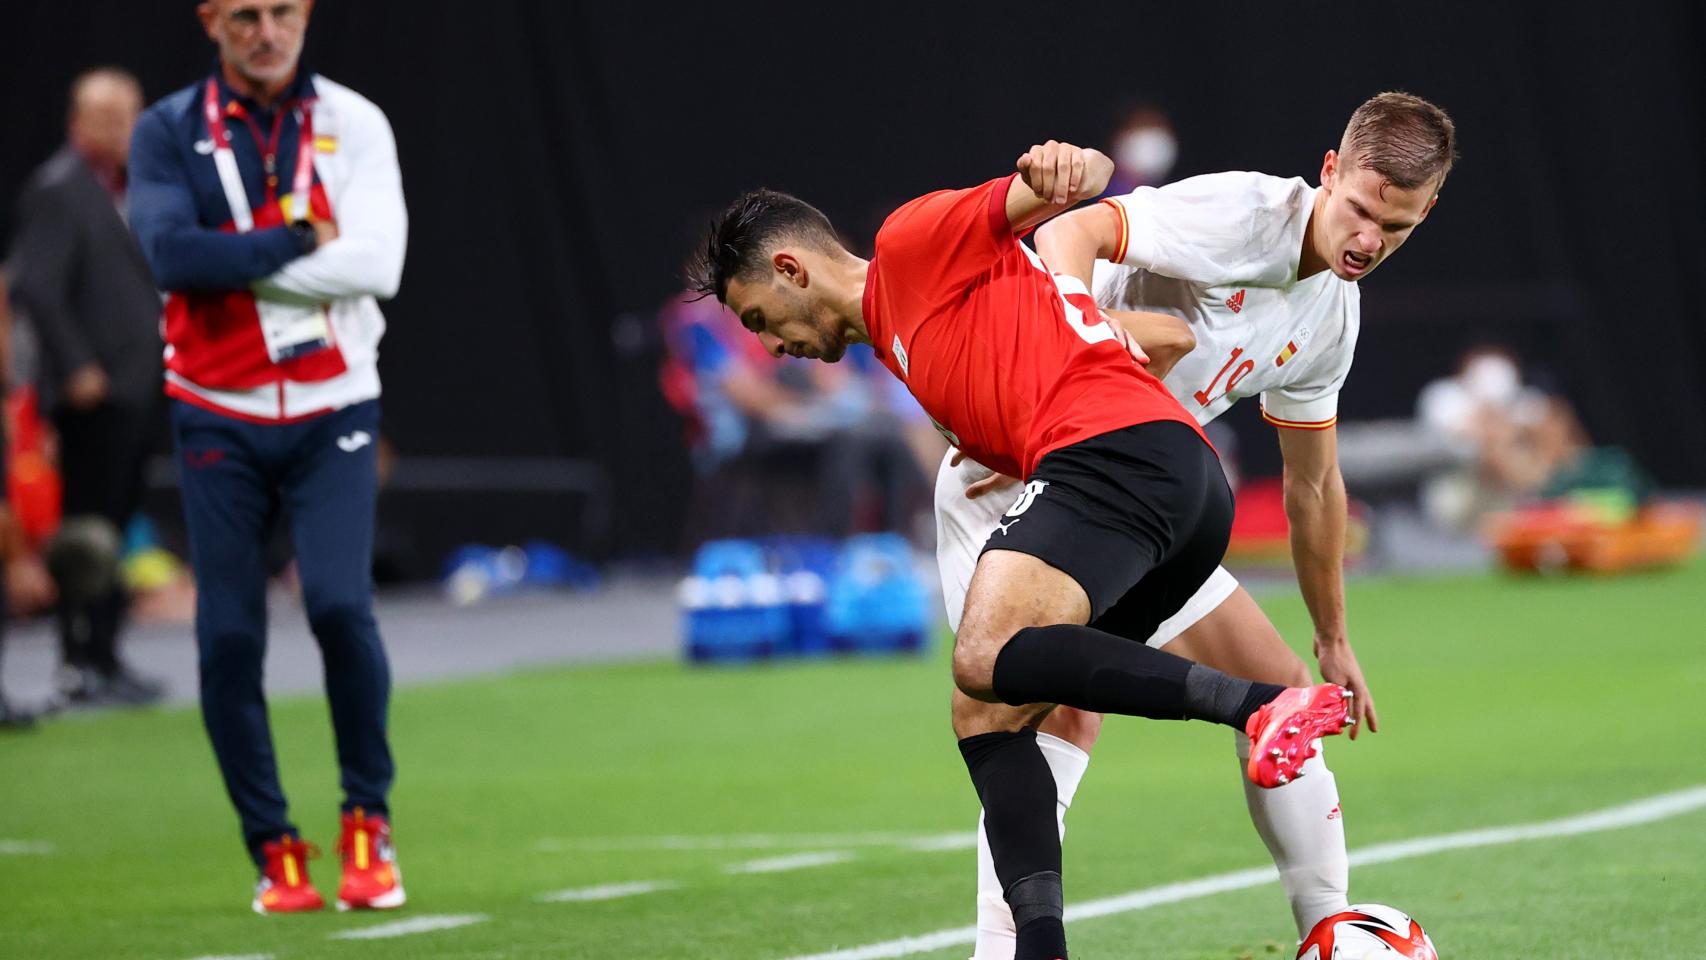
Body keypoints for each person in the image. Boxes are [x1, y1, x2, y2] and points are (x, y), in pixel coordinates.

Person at [693, 141, 1357, 960]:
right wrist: (1068, 370)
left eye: (758, 318)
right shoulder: (911, 342)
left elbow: (1055, 191)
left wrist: (1061, 171)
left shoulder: (907, 246)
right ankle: (1045, 948)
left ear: (792, 269)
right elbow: (1164, 333)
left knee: (984, 657)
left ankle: (1256, 709)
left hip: (1116, 466)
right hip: (1167, 485)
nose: (770, 344)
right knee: (990, 711)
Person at [933, 92, 1456, 956]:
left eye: (1394, 229)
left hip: (1130, 501)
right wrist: (1050, 378)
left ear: (1424, 212)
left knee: (1287, 693)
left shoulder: (1332, 314)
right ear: (1329, 172)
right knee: (1031, 715)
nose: (1367, 241)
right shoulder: (1243, 215)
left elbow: (1314, 486)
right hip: (1027, 472)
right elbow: (1067, 235)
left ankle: (1330, 931)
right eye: (1360, 209)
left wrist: (1334, 637)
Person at [127, 0, 408, 914]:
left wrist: (234, 260)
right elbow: (171, 256)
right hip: (217, 408)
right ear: (212, 20)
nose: (266, 31)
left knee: (337, 604)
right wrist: (295, 240)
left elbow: (377, 267)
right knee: (231, 634)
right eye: (245, 14)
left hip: (334, 402)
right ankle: (273, 847)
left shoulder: (354, 120)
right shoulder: (168, 129)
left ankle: (368, 820)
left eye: (282, 11)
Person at [6, 67, 168, 707]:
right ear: (79, 123)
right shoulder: (59, 188)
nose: (124, 129)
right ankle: (78, 660)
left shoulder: (131, 190)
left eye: (131, 115)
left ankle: (107, 653)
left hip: (135, 384)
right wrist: (74, 366)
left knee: (118, 525)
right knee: (88, 530)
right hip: (92, 394)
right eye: (109, 118)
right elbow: (34, 285)